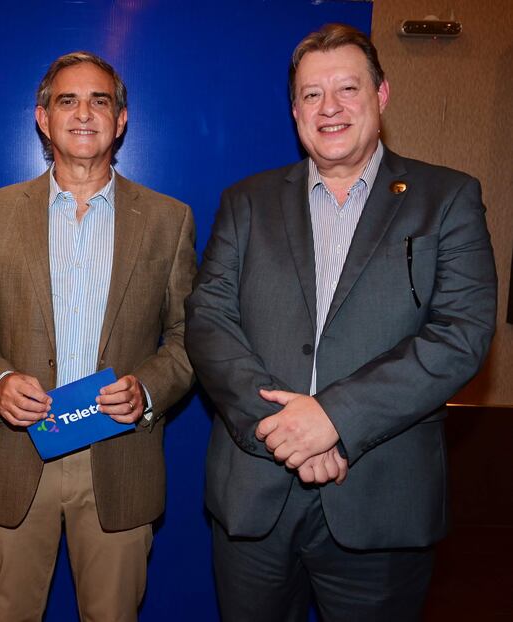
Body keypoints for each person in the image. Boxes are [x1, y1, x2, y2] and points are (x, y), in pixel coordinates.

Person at [185, 23, 497, 622]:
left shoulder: (448, 198)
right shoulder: (245, 202)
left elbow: (460, 335)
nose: (329, 108)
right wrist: (286, 428)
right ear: (294, 109)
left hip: (382, 502)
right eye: (310, 94)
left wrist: (335, 418)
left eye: (347, 89)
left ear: (381, 95)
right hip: (254, 498)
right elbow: (208, 319)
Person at [0, 51, 196, 621]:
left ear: (122, 119)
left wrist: (148, 390)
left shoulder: (168, 220)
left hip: (119, 462)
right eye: (68, 100)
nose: (84, 113)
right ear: (42, 117)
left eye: (100, 100)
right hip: (16, 456)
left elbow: (187, 336)